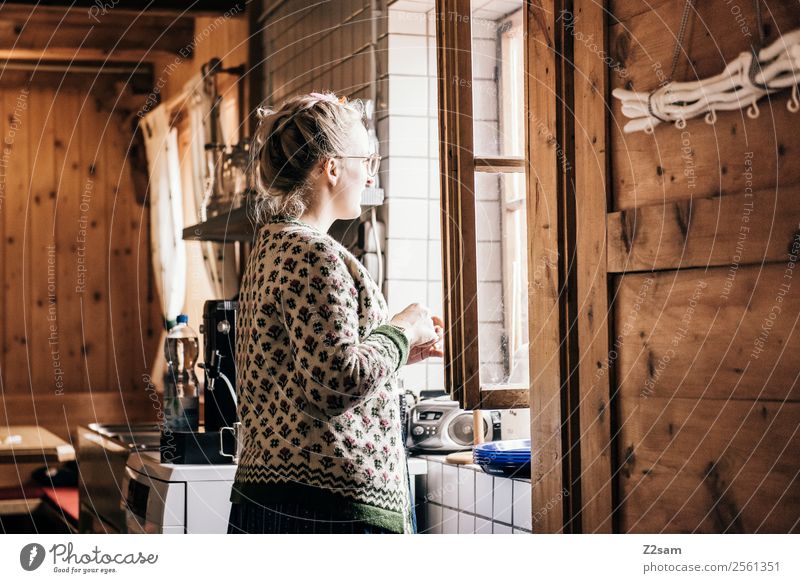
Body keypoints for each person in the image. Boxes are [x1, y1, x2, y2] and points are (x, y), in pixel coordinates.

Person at [227, 92, 444, 534]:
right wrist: (403, 328)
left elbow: (304, 369)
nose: (369, 174)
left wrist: (394, 351)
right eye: (366, 159)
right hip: (324, 509)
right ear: (330, 167)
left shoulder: (273, 246)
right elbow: (335, 381)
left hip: (275, 498)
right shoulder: (314, 254)